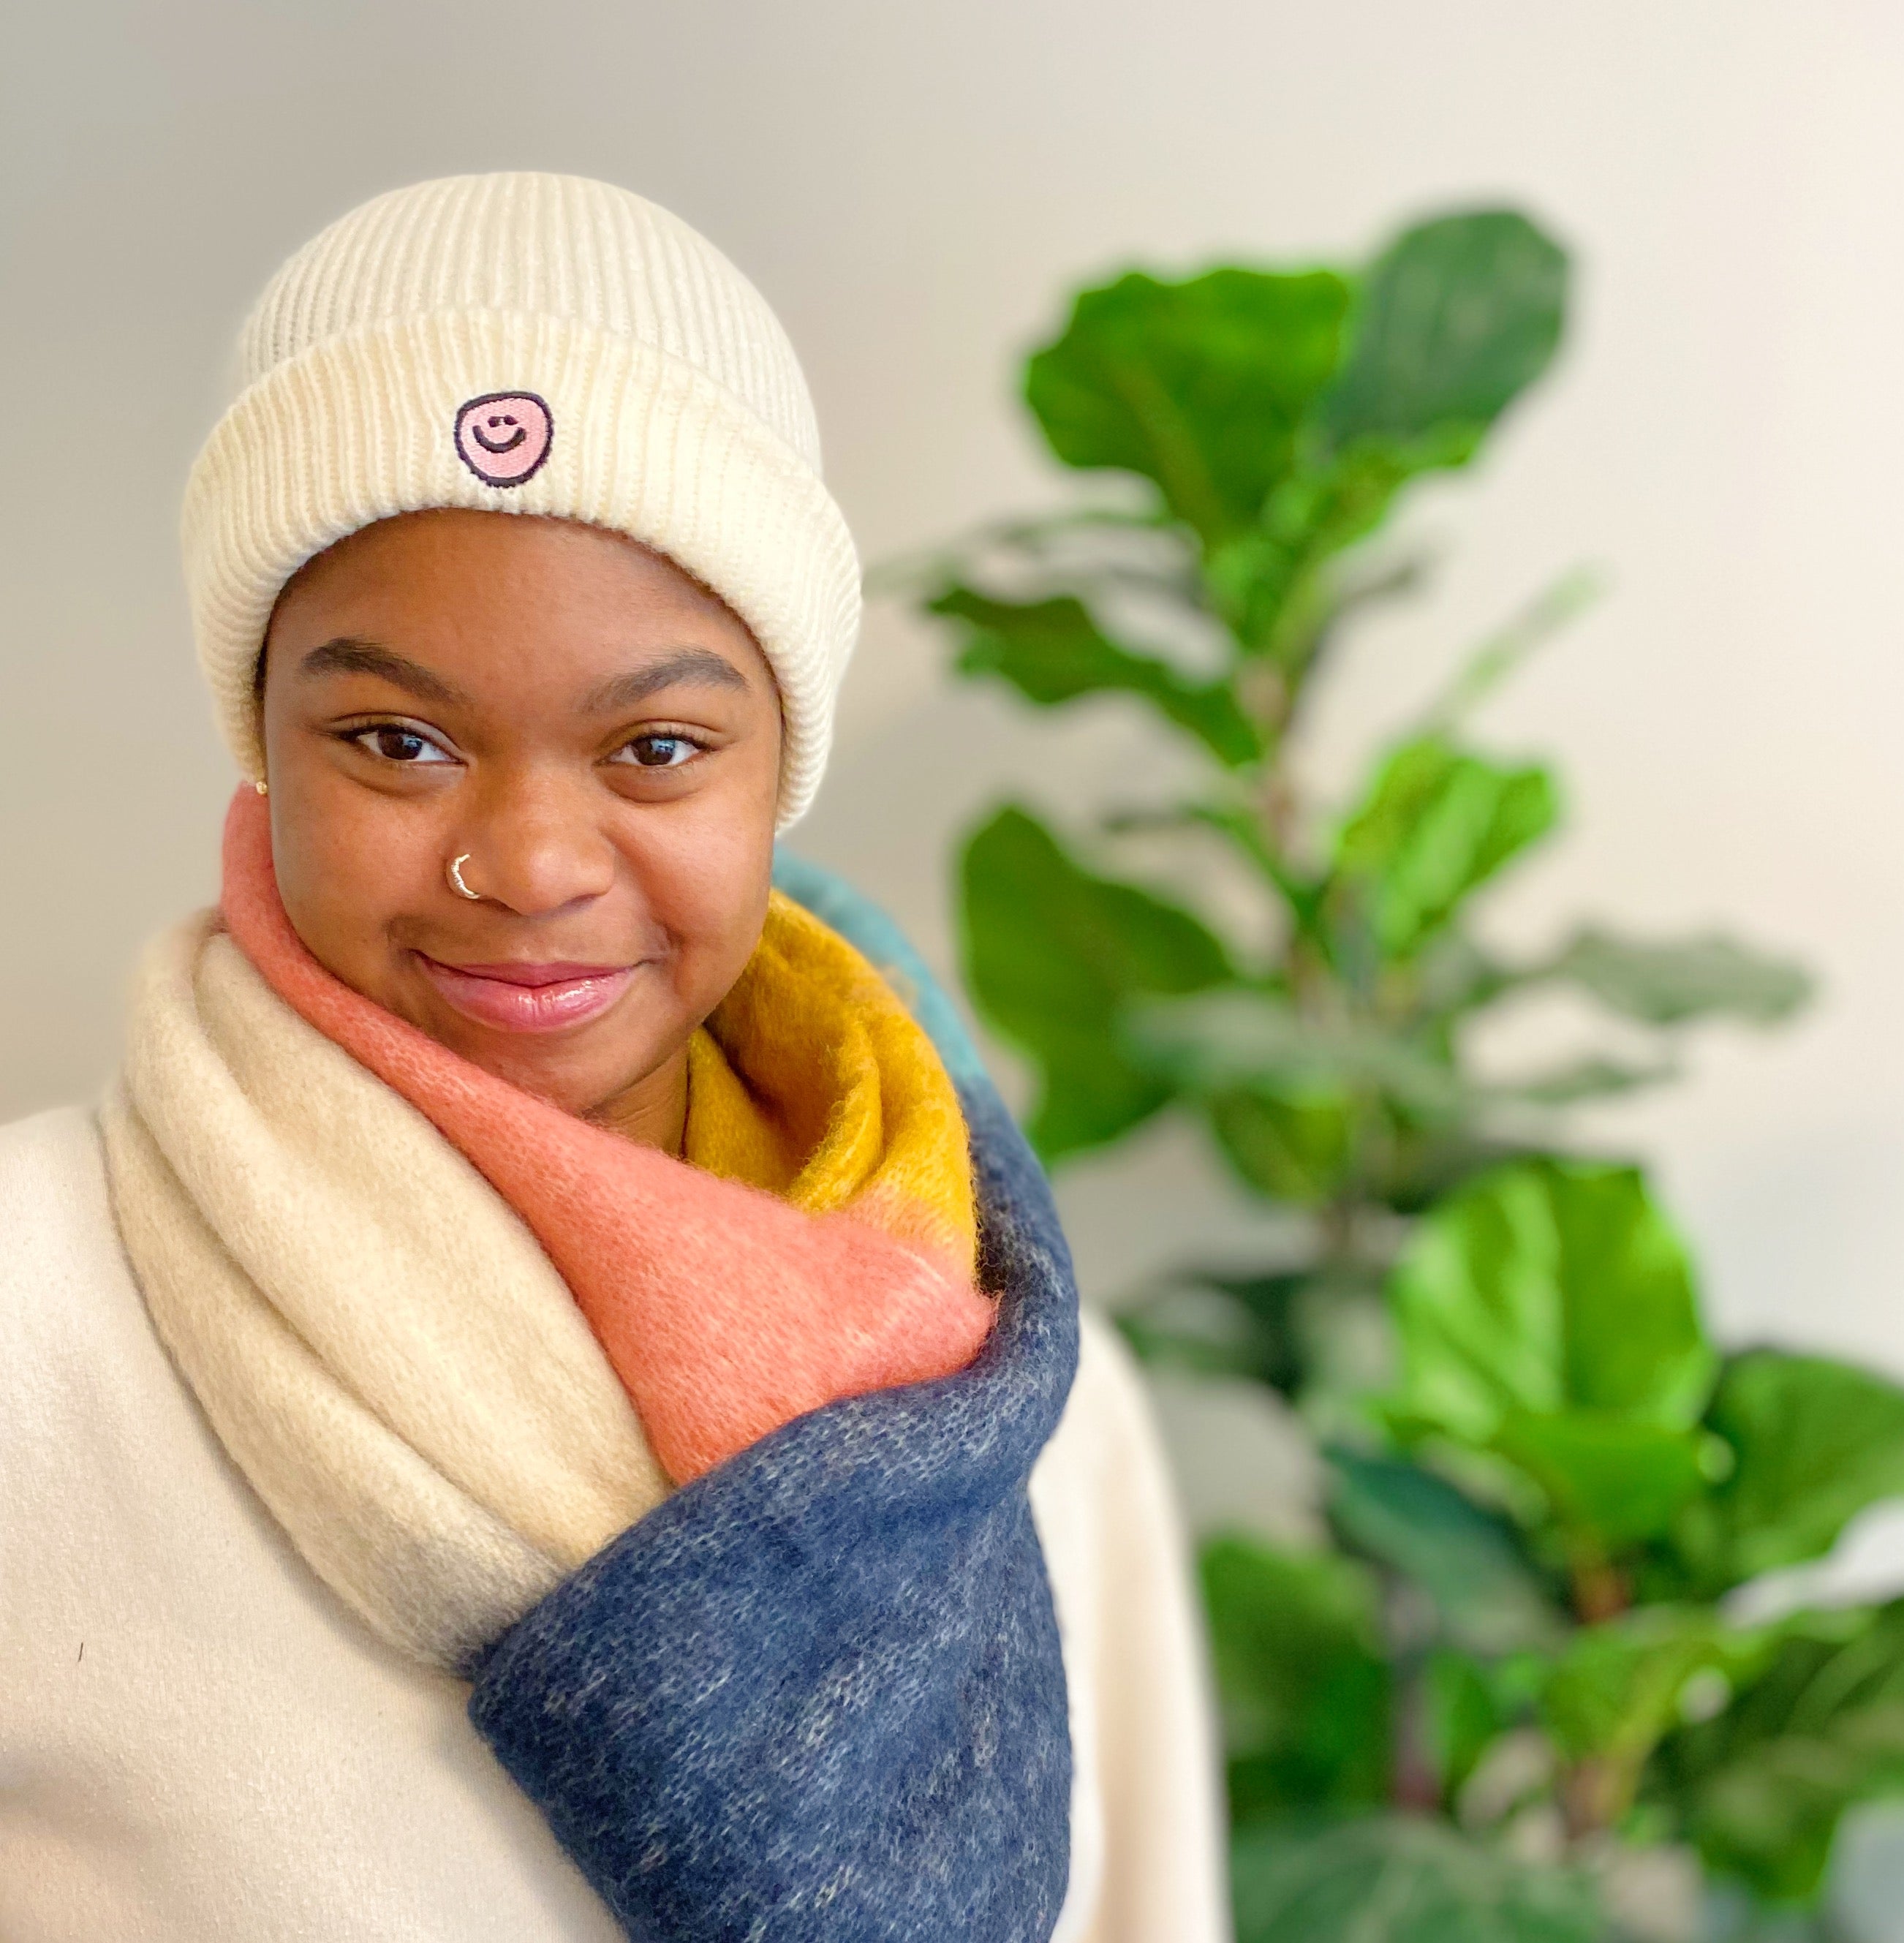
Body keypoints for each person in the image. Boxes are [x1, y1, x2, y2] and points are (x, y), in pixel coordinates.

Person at [0, 173, 1228, 1941]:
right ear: (257, 740)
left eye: (654, 747)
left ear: (772, 771)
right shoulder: (40, 1322)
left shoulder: (1007, 1375)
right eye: (397, 740)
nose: (530, 861)